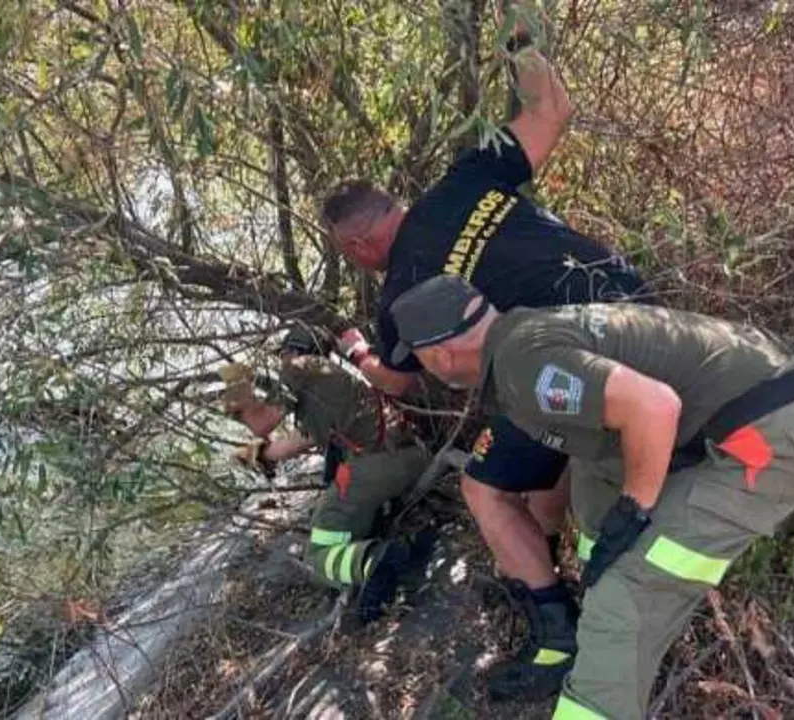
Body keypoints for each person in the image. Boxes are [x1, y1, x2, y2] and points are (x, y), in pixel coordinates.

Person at [321, 17, 652, 697]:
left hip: (566, 360)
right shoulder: (463, 180)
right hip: (641, 310)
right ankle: (550, 566)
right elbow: (550, 108)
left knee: (482, 484)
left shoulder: (400, 296)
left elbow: (401, 382)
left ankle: (559, 641)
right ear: (396, 202)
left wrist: (356, 352)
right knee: (540, 464)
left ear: (356, 249)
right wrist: (520, 38)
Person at [386, 274, 794, 719]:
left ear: (440, 356)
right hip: (768, 412)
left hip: (772, 440)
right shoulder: (527, 332)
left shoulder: (522, 365)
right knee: (596, 477)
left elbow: (655, 405)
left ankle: (605, 668)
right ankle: (608, 648)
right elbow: (606, 435)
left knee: (625, 597)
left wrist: (636, 507)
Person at [221, 328, 437, 622]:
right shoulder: (327, 384)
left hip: (375, 466)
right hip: (407, 457)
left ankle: (373, 562)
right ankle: (399, 543)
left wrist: (236, 388)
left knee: (318, 553)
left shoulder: (300, 367)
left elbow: (260, 423)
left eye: (283, 355)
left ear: (293, 350)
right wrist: (260, 454)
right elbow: (299, 440)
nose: (282, 362)